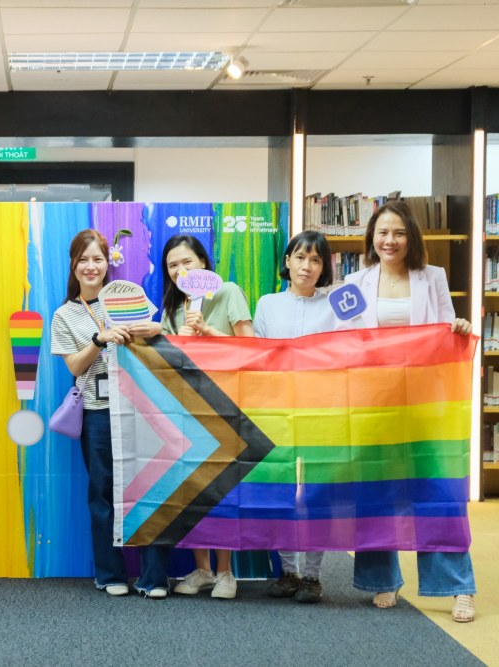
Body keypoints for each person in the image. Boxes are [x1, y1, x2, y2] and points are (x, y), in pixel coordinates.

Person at [344, 200, 476, 623]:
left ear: (411, 238)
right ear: (371, 238)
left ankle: (457, 587)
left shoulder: (432, 277)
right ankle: (383, 580)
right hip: (374, 404)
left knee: (439, 494)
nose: (390, 240)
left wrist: (459, 328)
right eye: (383, 232)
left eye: (399, 233)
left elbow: (445, 329)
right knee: (377, 492)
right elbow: (343, 342)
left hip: (425, 405)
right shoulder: (353, 282)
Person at [49, 229, 170, 598]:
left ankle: (154, 577)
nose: (90, 266)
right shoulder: (65, 314)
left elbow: (158, 336)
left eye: (97, 259)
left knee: (150, 487)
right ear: (73, 264)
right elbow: (73, 366)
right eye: (83, 259)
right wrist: (98, 340)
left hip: (139, 409)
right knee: (101, 492)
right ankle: (109, 573)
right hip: (97, 411)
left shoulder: (127, 298)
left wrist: (151, 327)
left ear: (108, 263)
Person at [160, 234, 253, 600]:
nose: (180, 270)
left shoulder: (228, 291)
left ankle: (227, 573)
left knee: (224, 487)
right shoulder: (170, 310)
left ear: (203, 262)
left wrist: (210, 333)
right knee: (194, 489)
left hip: (229, 404)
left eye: (186, 262)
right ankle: (202, 569)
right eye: (172, 266)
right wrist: (178, 341)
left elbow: (252, 348)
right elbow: (165, 367)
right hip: (188, 409)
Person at [253, 230, 337, 604]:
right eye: (301, 257)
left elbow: (352, 349)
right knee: (282, 491)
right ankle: (288, 571)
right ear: (287, 260)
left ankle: (313, 577)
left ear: (324, 268)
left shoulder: (337, 305)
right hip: (278, 410)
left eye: (316, 260)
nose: (307, 266)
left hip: (322, 410)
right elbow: (255, 355)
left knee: (316, 493)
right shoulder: (268, 303)